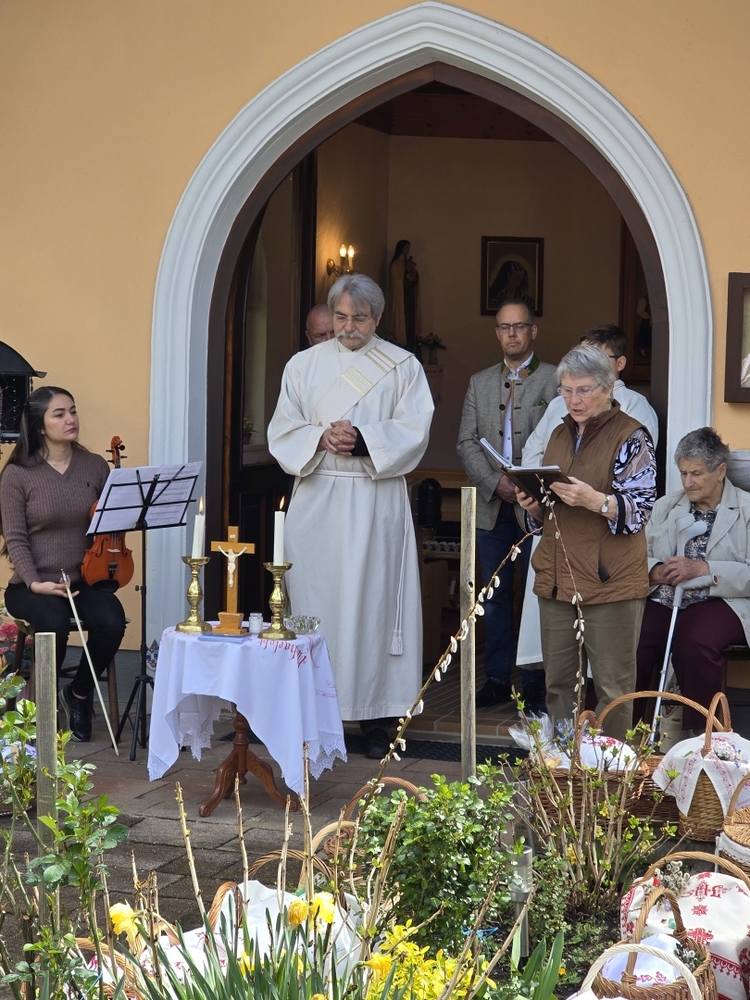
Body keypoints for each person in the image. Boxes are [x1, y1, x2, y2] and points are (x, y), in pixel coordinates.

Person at [267, 273, 434, 759]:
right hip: (318, 498)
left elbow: (415, 430)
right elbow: (283, 429)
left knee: (374, 607)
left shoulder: (402, 366)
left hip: (374, 501)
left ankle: (379, 718)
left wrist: (364, 440)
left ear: (377, 318)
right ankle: (312, 710)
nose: (348, 327)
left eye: (358, 318)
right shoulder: (302, 366)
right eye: (340, 317)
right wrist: (320, 437)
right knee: (315, 604)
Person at [517, 344, 656, 739]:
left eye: (583, 390)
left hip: (610, 581)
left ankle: (611, 772)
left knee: (613, 690)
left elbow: (641, 510)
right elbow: (550, 516)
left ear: (608, 387)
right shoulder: (559, 434)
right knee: (558, 686)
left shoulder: (632, 436)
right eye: (566, 390)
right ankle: (565, 767)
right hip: (557, 578)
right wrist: (534, 506)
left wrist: (594, 500)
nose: (573, 400)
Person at [0, 386, 126, 742]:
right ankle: (42, 708)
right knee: (53, 623)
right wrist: (35, 582)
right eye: (59, 414)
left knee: (112, 621)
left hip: (84, 577)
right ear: (40, 426)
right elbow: (16, 537)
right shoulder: (18, 474)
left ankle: (79, 694)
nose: (71, 419)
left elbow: (110, 524)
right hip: (32, 584)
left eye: (72, 411)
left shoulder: (95, 465)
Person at [456, 299, 559, 709]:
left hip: (537, 504)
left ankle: (535, 679)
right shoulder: (479, 382)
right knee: (494, 594)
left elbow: (561, 439)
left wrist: (529, 487)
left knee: (538, 593)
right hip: (492, 505)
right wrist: (494, 482)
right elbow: (466, 442)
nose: (511, 334)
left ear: (533, 330)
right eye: (504, 327)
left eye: (519, 326)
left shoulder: (555, 379)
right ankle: (497, 678)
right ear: (497, 333)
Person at [636, 428, 750, 732]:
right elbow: (637, 557)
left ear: (720, 471)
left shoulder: (746, 510)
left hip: (721, 598)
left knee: (695, 642)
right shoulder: (666, 506)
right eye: (684, 473)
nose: (688, 482)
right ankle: (617, 735)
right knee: (631, 639)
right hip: (665, 595)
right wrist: (656, 570)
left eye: (696, 474)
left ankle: (701, 736)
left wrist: (702, 569)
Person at [523, 325, 659, 466]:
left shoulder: (635, 404)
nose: (585, 364)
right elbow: (532, 451)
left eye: (596, 358)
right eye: (581, 356)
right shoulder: (557, 403)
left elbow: (637, 465)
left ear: (620, 363)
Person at [387, 240, 420, 352]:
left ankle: (410, 342)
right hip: (401, 298)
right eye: (405, 248)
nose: (407, 250)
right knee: (402, 320)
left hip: (409, 297)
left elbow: (414, 278)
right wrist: (406, 280)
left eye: (408, 248)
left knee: (410, 322)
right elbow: (396, 283)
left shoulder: (408, 263)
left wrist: (414, 277)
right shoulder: (396, 265)